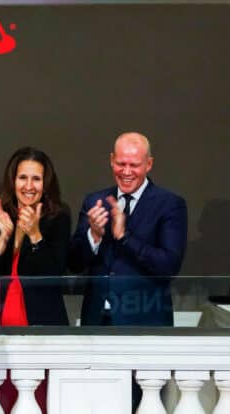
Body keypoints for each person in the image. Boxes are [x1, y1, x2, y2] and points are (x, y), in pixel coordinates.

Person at [67, 132, 187, 326]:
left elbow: (169, 266)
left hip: (146, 321)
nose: (126, 172)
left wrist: (124, 238)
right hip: (97, 321)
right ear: (111, 160)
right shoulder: (95, 201)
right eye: (121, 164)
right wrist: (94, 236)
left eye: (134, 165)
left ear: (149, 164)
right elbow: (74, 263)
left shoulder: (170, 204)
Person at [0, 146, 70, 326]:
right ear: (13, 181)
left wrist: (35, 235)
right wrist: (2, 240)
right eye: (22, 178)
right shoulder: (0, 216)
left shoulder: (57, 218)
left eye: (36, 179)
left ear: (45, 184)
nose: (28, 186)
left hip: (42, 323)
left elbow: (55, 275)